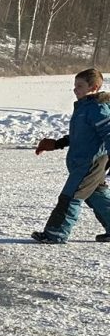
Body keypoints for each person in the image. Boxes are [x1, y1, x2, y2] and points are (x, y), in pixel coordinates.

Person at [30, 67, 110, 244]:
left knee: (70, 196)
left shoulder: (98, 108)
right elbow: (81, 136)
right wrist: (57, 143)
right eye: (75, 85)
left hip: (90, 163)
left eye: (80, 86)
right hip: (82, 162)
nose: (75, 89)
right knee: (97, 195)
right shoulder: (84, 107)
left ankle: (55, 234)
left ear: (94, 87)